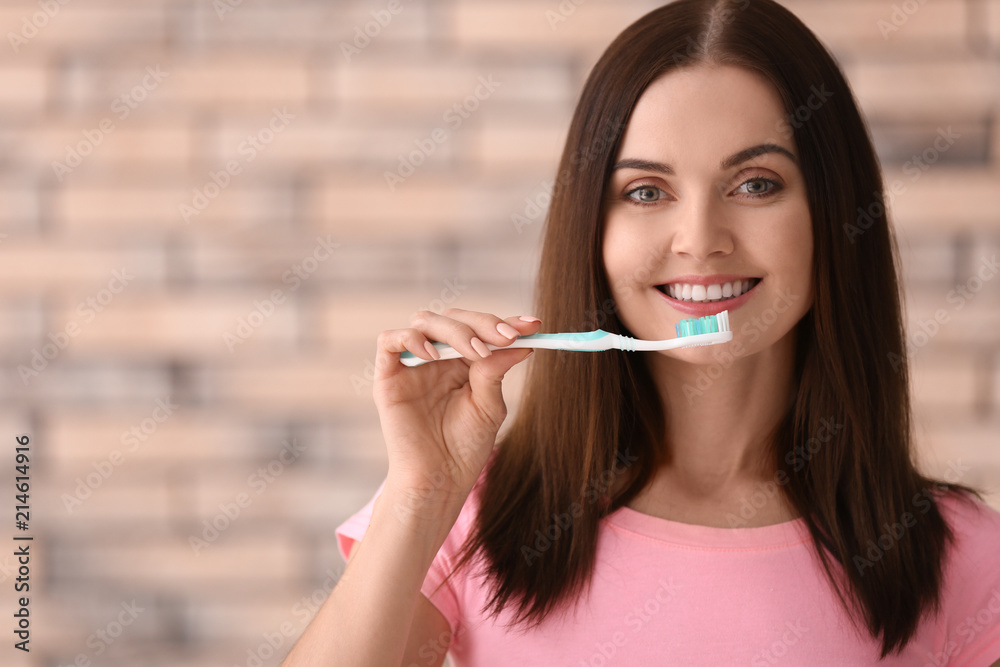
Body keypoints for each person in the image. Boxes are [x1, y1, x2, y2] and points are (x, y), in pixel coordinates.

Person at [282, 0, 1000, 665]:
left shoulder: (965, 558)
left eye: (755, 183)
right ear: (592, 229)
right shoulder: (470, 513)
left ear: (834, 216)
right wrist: (421, 494)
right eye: (646, 192)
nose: (699, 239)